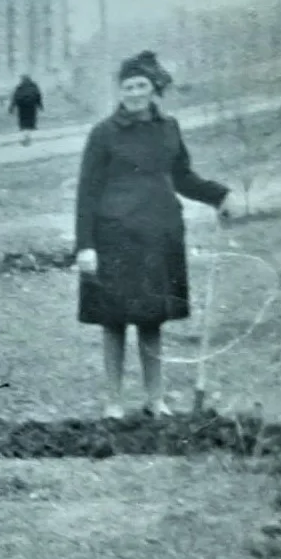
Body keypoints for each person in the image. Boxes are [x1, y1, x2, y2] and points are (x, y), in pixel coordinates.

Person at [74, 51, 233, 419]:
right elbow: (87, 193)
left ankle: (155, 399)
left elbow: (183, 177)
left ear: (153, 88)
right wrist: (85, 246)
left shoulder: (169, 128)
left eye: (141, 85)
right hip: (114, 238)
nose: (135, 93)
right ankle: (113, 402)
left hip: (158, 236)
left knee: (151, 320)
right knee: (113, 321)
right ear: (120, 90)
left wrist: (219, 194)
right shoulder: (103, 134)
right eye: (128, 86)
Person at [9, 74, 43, 145]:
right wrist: (40, 105)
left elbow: (15, 97)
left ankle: (25, 135)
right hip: (31, 106)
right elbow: (38, 96)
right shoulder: (34, 86)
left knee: (23, 121)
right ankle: (28, 135)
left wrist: (11, 107)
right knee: (30, 120)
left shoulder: (20, 87)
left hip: (22, 107)